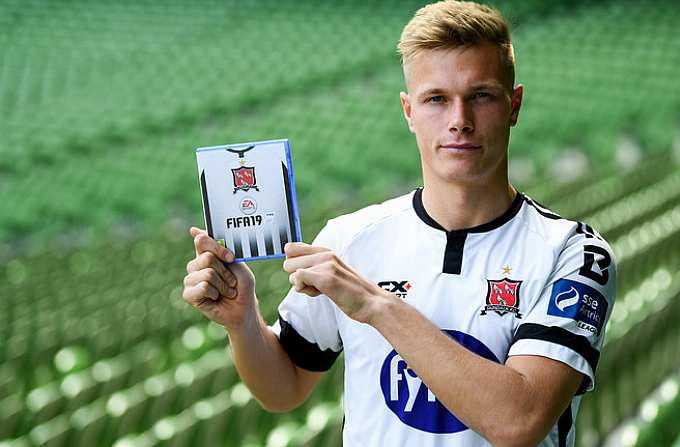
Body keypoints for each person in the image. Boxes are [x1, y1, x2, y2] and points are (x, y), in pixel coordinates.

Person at [181, 1, 616, 445]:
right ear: (409, 111)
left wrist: (376, 305)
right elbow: (284, 387)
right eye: (436, 99)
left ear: (514, 105)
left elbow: (519, 421)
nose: (459, 121)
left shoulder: (574, 253)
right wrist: (243, 323)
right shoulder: (349, 239)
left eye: (480, 96)